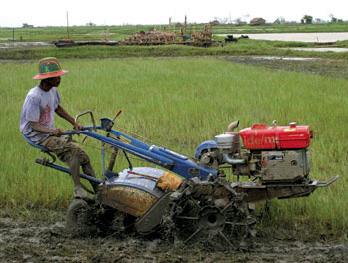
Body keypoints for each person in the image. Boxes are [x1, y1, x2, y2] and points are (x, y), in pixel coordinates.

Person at [20, 57, 96, 199]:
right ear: (47, 79)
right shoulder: (34, 97)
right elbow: (33, 125)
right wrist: (51, 131)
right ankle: (78, 189)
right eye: (56, 77)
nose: (60, 79)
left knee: (84, 156)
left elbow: (58, 109)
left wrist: (75, 123)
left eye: (59, 76)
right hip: (39, 137)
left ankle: (98, 191)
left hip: (50, 133)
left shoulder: (53, 91)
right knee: (74, 152)